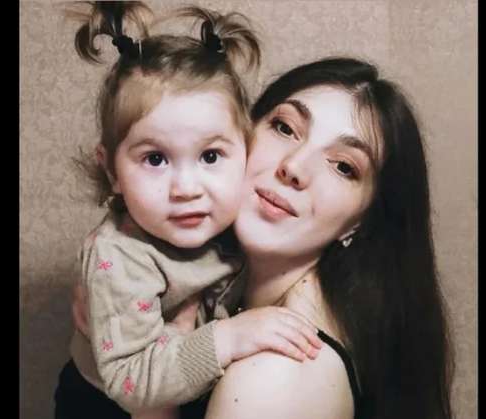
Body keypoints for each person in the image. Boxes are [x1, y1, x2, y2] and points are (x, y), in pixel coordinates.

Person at [54, 2, 323, 419]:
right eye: (155, 159)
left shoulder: (236, 216)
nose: (186, 189)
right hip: (104, 405)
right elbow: (131, 383)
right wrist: (230, 337)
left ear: (246, 152)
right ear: (112, 172)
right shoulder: (120, 257)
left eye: (211, 156)